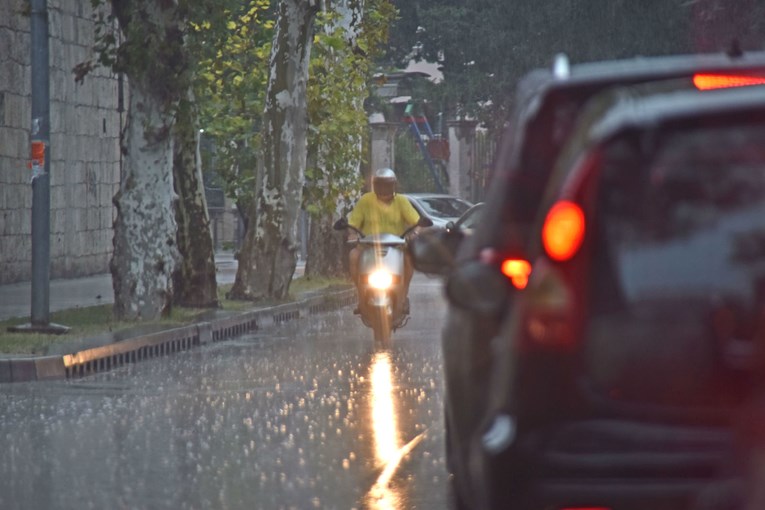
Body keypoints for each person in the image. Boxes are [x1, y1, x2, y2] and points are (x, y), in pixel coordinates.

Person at [347, 168, 421, 314]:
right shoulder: (365, 200)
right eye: (380, 185)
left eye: (387, 185)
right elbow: (353, 224)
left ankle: (403, 297)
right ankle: (361, 298)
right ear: (375, 185)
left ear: (394, 185)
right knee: (353, 256)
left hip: (397, 247)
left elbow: (416, 222)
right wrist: (352, 234)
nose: (384, 189)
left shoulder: (401, 201)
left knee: (409, 259)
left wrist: (415, 233)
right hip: (367, 246)